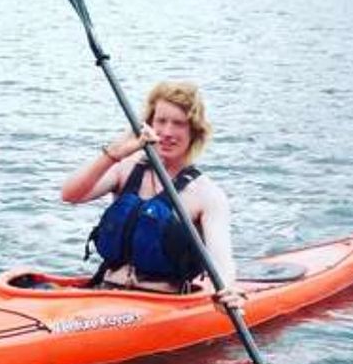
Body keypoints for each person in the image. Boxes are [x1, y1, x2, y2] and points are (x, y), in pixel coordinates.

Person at [60, 81, 244, 309]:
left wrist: (227, 290)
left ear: (194, 131)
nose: (167, 132)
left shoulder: (207, 195)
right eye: (161, 121)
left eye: (178, 124)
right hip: (105, 294)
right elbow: (70, 194)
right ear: (148, 125)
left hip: (162, 306)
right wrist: (112, 155)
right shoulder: (125, 169)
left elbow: (222, 263)